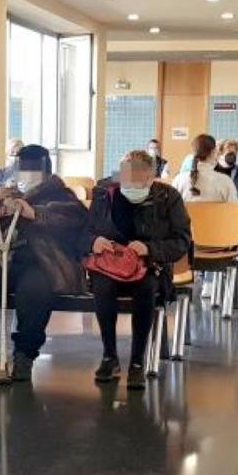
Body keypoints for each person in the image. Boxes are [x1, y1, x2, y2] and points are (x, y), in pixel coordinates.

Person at [0, 144, 87, 382]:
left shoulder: (62, 196)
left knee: (35, 290)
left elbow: (72, 221)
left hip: (41, 260)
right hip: (0, 257)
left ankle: (25, 354)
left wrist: (34, 213)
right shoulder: (6, 193)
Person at [82, 150, 191, 390]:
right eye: (128, 181)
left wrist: (149, 248)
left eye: (139, 182)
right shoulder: (104, 196)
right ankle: (110, 355)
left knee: (147, 289)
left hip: (151, 266)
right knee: (102, 287)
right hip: (110, 265)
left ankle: (137, 361)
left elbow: (182, 241)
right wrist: (94, 242)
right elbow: (84, 232)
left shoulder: (168, 197)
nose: (132, 187)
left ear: (151, 177)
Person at [173, 134, 236, 203]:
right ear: (213, 152)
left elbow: (170, 209)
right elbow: (235, 211)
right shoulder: (225, 181)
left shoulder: (178, 180)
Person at [214, 138, 238, 206]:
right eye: (229, 152)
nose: (232, 155)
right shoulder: (212, 170)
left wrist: (230, 198)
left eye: (234, 153)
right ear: (220, 154)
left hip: (236, 208)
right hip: (216, 208)